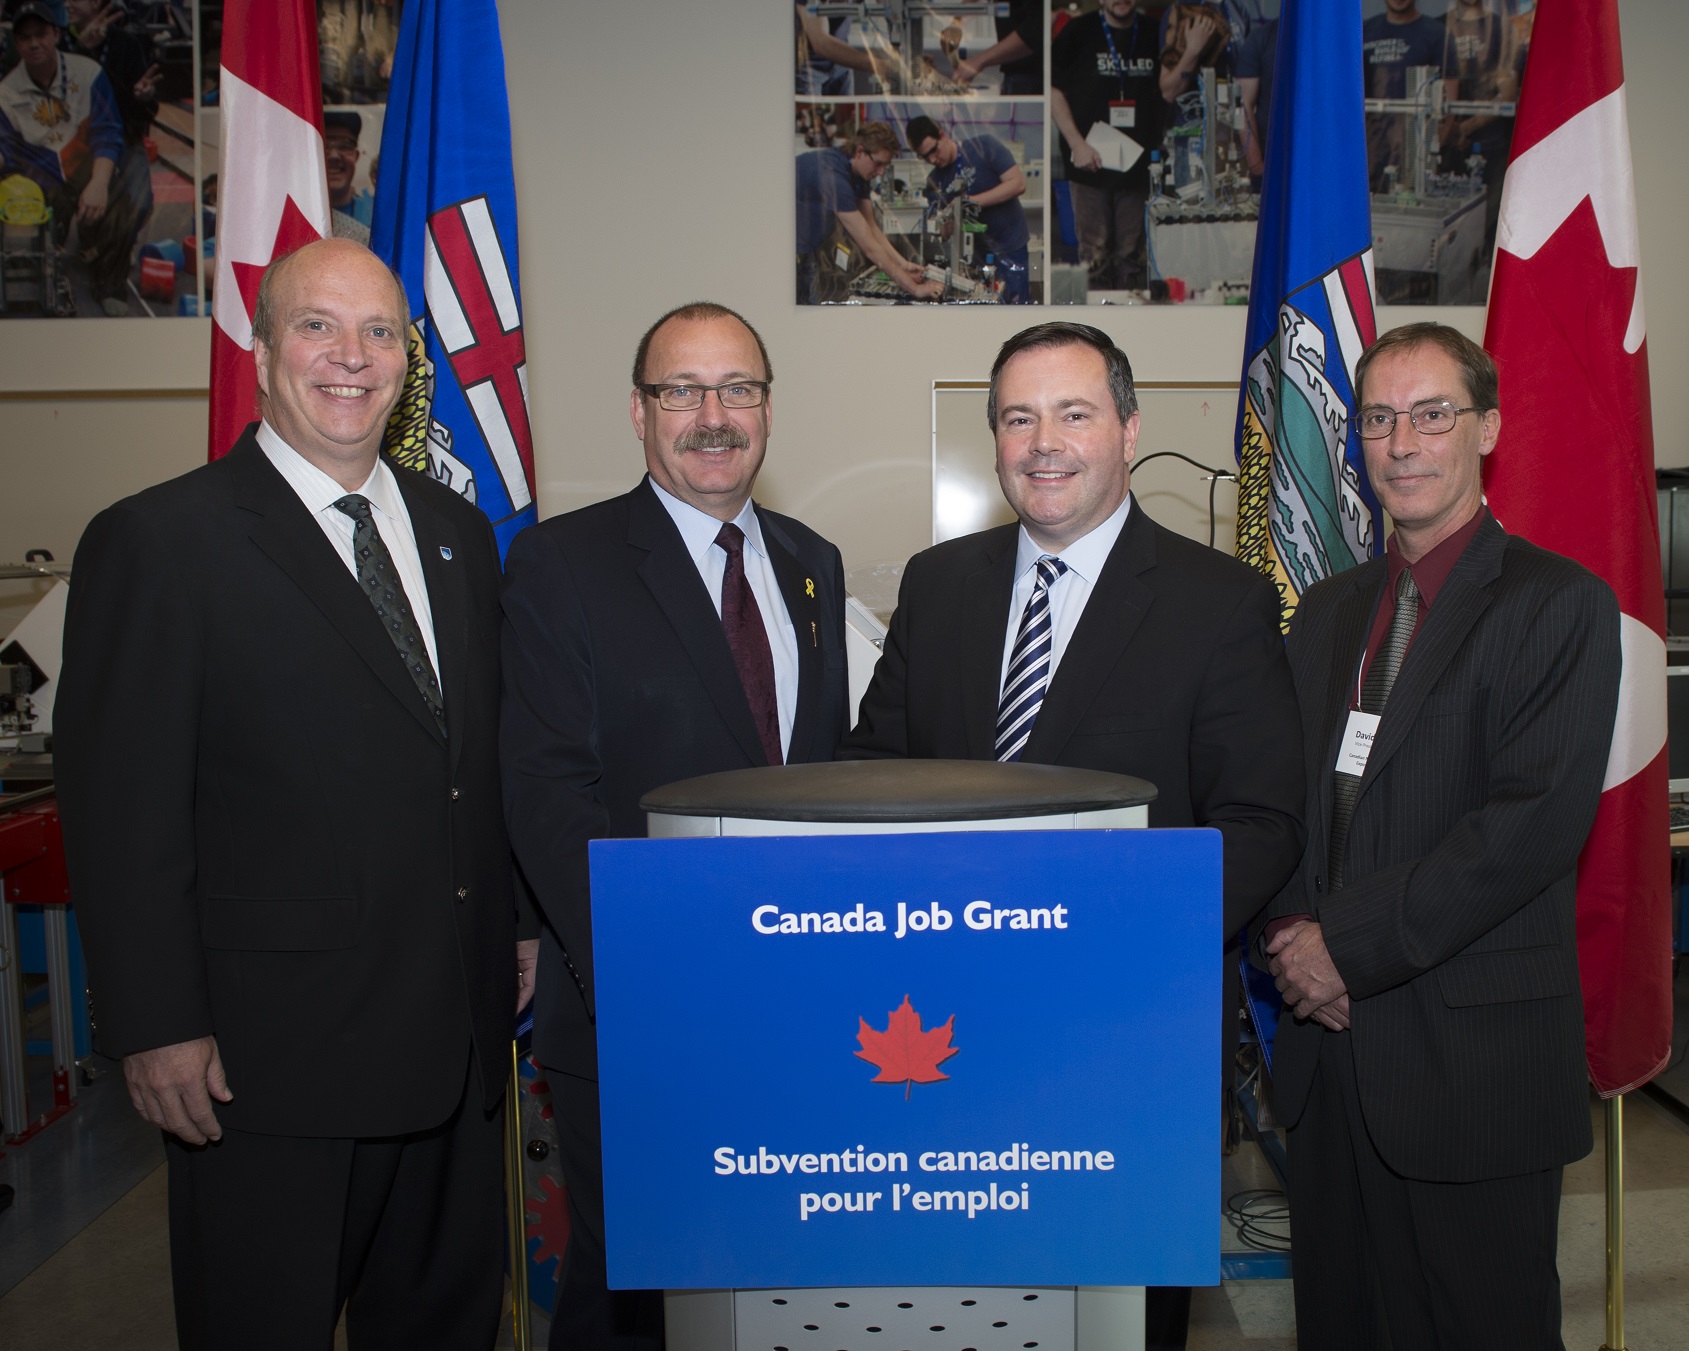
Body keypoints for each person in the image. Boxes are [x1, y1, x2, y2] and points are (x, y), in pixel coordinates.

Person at [54, 238, 521, 1349]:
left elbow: (468, 764)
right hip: (271, 1068)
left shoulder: (457, 534)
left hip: (453, 1044)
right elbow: (122, 810)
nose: (350, 357)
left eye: (379, 332)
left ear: (410, 360)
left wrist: (516, 928)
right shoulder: (160, 541)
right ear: (261, 352)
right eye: (317, 325)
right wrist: (156, 1025)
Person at [843, 320, 1305, 1351]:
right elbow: (867, 782)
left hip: (1126, 1037)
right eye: (1018, 416)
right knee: (955, 1306)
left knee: (1117, 1314)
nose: (1043, 441)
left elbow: (1262, 820)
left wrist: (1108, 940)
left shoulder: (1220, 602)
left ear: (1130, 431)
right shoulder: (939, 585)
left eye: (1074, 413)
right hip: (937, 1039)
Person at [1261, 323, 1621, 1350]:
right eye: (1378, 419)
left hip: (1474, 1063)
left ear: (1489, 428)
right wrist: (1291, 936)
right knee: (1344, 1322)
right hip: (1331, 1066)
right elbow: (1284, 796)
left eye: (1432, 415)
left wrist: (1345, 947)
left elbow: (1528, 827)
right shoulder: (1326, 613)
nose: (1402, 443)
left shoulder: (1561, 606)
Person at [501, 301, 853, 1351]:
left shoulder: (811, 561)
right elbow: (549, 791)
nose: (712, 414)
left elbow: (822, 778)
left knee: (773, 1282)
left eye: (736, 388)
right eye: (682, 391)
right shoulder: (561, 565)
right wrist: (645, 971)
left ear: (769, 409)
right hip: (640, 1007)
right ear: (639, 412)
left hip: (797, 1003)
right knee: (640, 1291)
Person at [0, 1, 131, 313]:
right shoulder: (5, 92)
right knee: (24, 219)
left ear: (56, 35)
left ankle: (109, 284)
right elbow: (5, 149)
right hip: (40, 176)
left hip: (84, 167)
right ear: (16, 44)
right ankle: (40, 277)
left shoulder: (89, 74)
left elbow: (108, 133)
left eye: (41, 34)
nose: (34, 43)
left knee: (121, 201)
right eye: (25, 37)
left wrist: (99, 183)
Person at [1050, 0, 1163, 292]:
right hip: (1090, 164)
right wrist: (1077, 143)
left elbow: (1171, 89)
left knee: (1132, 261)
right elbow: (1052, 89)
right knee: (1094, 260)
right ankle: (1093, 335)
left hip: (1139, 169)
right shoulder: (1078, 31)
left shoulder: (1154, 31)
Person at [65, 0, 159, 311]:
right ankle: (95, 248)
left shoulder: (126, 44)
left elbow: (145, 110)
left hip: (123, 140)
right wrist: (83, 49)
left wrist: (144, 97)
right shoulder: (61, 39)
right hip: (75, 141)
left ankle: (110, 268)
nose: (67, 3)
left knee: (139, 202)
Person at [796, 121, 941, 303]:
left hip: (810, 248)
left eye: (885, 166)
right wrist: (916, 289)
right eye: (878, 164)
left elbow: (872, 228)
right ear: (859, 151)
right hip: (794, 254)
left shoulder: (859, 174)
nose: (880, 172)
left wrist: (904, 265)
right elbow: (870, 248)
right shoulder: (833, 177)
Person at [906, 114, 1031, 304]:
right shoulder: (935, 181)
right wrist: (945, 222)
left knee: (1015, 305)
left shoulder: (983, 147)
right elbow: (942, 232)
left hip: (1010, 245)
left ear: (943, 135)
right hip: (974, 258)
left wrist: (969, 202)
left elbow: (1017, 184)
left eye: (934, 150)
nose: (932, 159)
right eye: (925, 157)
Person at [1362, 0, 1447, 193]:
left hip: (1414, 156)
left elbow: (1446, 103)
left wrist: (1427, 157)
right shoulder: (1366, 30)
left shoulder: (1435, 33)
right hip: (1371, 152)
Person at [950, 0, 1043, 94]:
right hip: (1019, 74)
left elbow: (1036, 28)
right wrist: (956, 23)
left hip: (1034, 76)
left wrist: (978, 61)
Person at [325, 109, 374, 230]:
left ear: (356, 156)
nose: (334, 156)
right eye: (324, 145)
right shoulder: (296, 218)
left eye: (344, 146)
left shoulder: (375, 217)